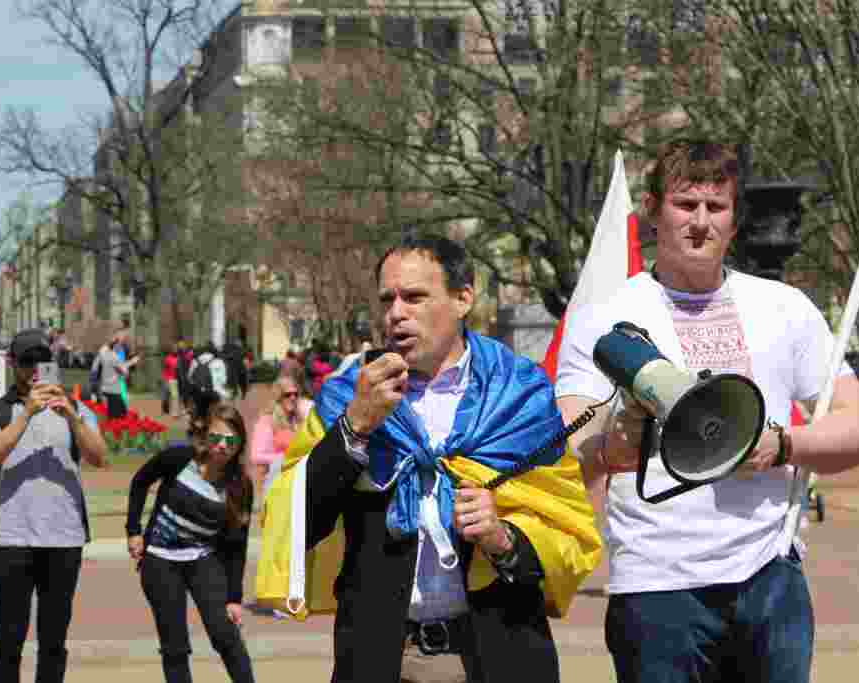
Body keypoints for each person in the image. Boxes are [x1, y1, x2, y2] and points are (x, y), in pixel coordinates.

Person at [555, 141, 859, 683]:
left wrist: (783, 445)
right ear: (652, 212)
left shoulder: (784, 308)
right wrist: (617, 438)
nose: (700, 222)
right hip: (657, 586)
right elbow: (571, 440)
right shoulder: (604, 317)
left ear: (733, 221)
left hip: (771, 574)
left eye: (716, 207)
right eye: (685, 204)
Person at [275, 234, 601, 682]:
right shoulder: (350, 394)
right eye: (387, 299)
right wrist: (354, 428)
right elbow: (296, 522)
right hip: (379, 658)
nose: (395, 313)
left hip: (499, 654)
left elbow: (568, 531)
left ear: (463, 298)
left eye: (414, 297)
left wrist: (502, 537)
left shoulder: (519, 394)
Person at [0, 328, 107, 682]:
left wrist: (69, 413)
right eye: (26, 361)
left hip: (63, 538)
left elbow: (99, 457)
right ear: (12, 363)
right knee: (9, 638)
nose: (34, 368)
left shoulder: (76, 407)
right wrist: (26, 414)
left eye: (41, 360)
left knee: (53, 640)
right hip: (11, 536)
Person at [126, 403, 256, 683]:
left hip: (202, 559)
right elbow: (139, 482)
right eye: (216, 438)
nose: (222, 446)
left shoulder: (240, 485)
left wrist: (234, 597)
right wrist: (133, 530)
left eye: (230, 441)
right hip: (160, 560)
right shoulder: (178, 459)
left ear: (240, 444)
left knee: (225, 634)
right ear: (205, 436)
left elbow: (237, 546)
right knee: (175, 646)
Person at [248, 371, 311, 502]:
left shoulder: (299, 420)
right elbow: (256, 456)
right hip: (276, 485)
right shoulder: (267, 421)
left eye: (296, 394)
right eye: (287, 395)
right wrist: (286, 458)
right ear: (278, 397)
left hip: (300, 484)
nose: (293, 398)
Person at [93, 331, 138, 418]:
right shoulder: (113, 357)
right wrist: (132, 362)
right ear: (116, 345)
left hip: (106, 386)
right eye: (119, 343)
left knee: (117, 412)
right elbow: (122, 370)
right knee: (118, 415)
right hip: (113, 388)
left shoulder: (103, 351)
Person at [162, 347, 180, 418]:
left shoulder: (179, 359)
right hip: (167, 379)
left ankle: (175, 413)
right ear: (171, 351)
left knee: (175, 396)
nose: (175, 351)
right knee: (165, 397)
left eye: (176, 350)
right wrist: (164, 378)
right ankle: (165, 409)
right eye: (174, 350)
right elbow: (165, 368)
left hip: (174, 380)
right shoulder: (167, 358)